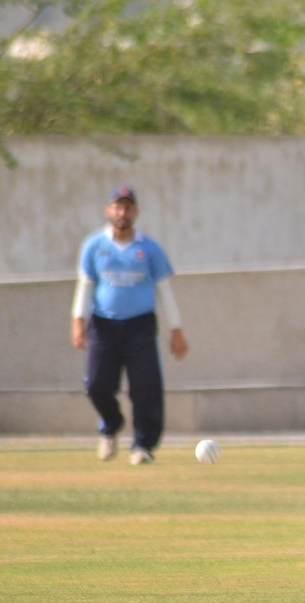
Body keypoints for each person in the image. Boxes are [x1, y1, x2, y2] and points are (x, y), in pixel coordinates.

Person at [71, 186, 188, 465]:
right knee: (96, 384)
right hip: (103, 325)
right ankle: (111, 424)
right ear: (108, 210)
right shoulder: (94, 246)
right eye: (117, 207)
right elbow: (85, 286)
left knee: (146, 388)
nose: (122, 213)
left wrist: (176, 330)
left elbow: (165, 291)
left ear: (135, 212)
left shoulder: (149, 249)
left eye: (127, 207)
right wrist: (78, 321)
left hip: (140, 325)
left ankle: (143, 445)